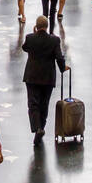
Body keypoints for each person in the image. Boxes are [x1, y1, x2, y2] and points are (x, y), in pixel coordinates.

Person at [21, 16, 68, 145]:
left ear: (36, 26)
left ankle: (38, 128)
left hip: (32, 76)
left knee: (33, 103)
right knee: (44, 103)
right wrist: (63, 68)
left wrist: (33, 33)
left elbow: (24, 48)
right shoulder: (54, 40)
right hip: (47, 77)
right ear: (47, 26)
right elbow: (59, 57)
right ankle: (42, 126)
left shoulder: (30, 38)